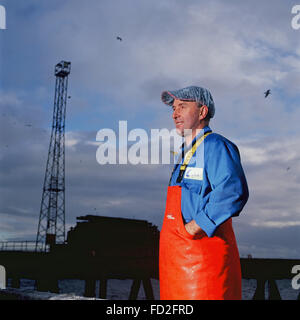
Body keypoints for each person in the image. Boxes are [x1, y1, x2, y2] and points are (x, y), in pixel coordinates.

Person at [159, 85, 249, 300]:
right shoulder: (184, 153)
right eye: (173, 108)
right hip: (177, 261)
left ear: (202, 112)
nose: (175, 113)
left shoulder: (215, 145)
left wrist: (195, 227)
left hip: (205, 262)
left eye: (182, 106)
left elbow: (232, 191)